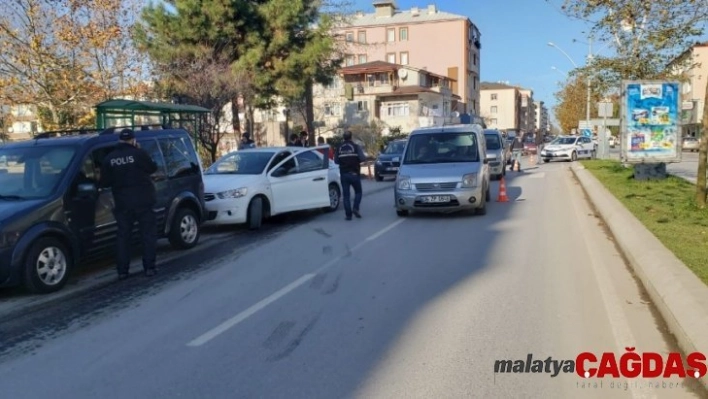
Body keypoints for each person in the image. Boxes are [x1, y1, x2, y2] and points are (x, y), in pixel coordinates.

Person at [100, 129, 159, 279]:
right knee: (147, 235)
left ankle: (123, 271)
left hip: (122, 203)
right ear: (133, 140)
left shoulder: (110, 158)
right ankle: (149, 268)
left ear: (119, 140)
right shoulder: (139, 154)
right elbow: (152, 168)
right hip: (144, 201)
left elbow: (104, 181)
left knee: (123, 237)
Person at [335, 131, 366, 220]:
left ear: (343, 138)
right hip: (354, 173)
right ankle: (355, 208)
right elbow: (363, 158)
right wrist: (355, 160)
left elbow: (336, 161)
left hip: (344, 174)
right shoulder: (356, 147)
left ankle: (348, 216)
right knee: (358, 192)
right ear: (351, 137)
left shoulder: (339, 148)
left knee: (346, 196)